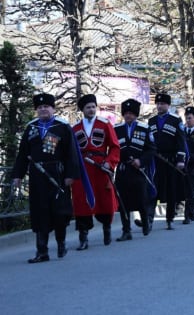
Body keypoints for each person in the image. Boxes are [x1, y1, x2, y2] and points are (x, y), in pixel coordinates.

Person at [12, 93, 80, 263]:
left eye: (46, 107)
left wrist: (71, 175)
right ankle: (42, 251)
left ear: (53, 108)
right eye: (40, 107)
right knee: (39, 211)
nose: (43, 109)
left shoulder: (62, 127)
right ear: (36, 110)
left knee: (59, 212)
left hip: (57, 175)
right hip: (37, 176)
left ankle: (61, 243)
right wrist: (17, 176)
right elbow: (22, 155)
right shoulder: (31, 128)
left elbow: (71, 154)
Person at [71, 94, 120, 249]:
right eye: (88, 107)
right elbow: (71, 151)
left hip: (101, 166)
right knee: (81, 199)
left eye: (93, 107)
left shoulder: (105, 124)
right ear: (82, 110)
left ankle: (107, 229)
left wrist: (109, 163)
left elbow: (114, 147)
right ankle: (83, 237)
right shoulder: (75, 128)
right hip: (83, 168)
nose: (91, 110)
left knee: (104, 198)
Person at [114, 99, 156, 241]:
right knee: (123, 202)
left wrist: (141, 161)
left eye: (131, 113)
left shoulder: (144, 128)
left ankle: (145, 223)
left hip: (138, 170)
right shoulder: (116, 129)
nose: (128, 116)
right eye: (126, 113)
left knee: (142, 199)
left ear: (136, 115)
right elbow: (113, 149)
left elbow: (151, 150)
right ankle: (126, 230)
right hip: (123, 170)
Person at [148, 93, 186, 230]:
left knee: (171, 190)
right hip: (155, 160)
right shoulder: (151, 121)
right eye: (158, 104)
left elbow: (181, 142)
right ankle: (149, 219)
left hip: (170, 160)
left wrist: (181, 160)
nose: (159, 106)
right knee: (153, 189)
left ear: (168, 105)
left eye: (162, 104)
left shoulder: (175, 120)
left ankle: (169, 219)